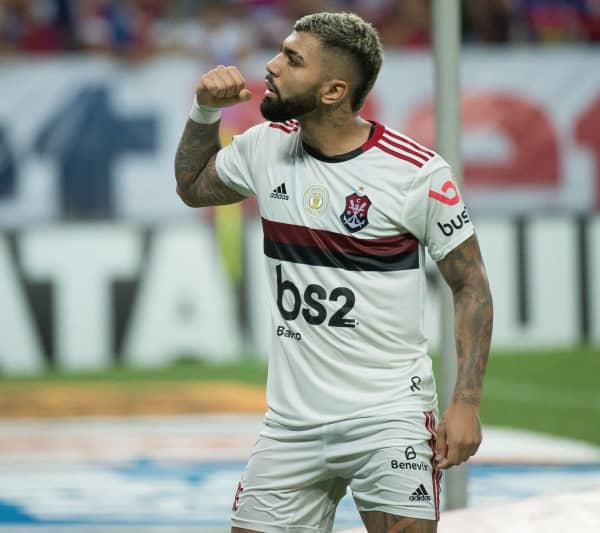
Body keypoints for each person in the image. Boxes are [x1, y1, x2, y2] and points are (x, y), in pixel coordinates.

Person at [173, 11, 493, 533]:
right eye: (281, 51)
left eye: (292, 60)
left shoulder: (416, 173)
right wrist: (205, 111)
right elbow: (193, 188)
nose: (271, 66)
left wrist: (467, 402)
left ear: (332, 91)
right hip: (291, 426)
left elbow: (471, 283)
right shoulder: (263, 145)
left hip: (389, 418)